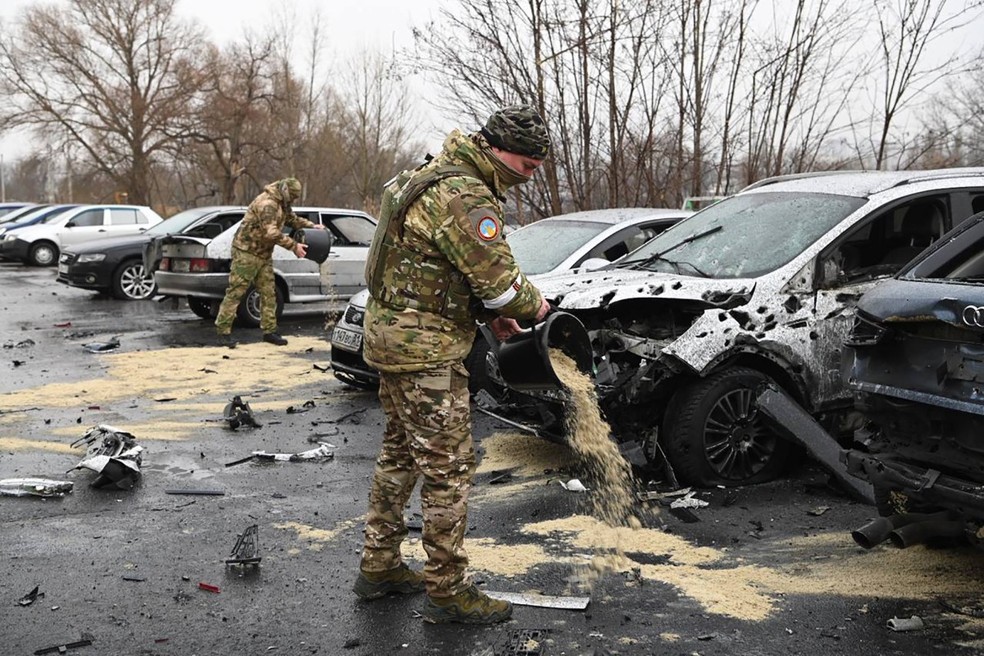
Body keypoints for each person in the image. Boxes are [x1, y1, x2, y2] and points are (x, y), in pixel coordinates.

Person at [352, 105, 552, 624]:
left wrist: (490, 318)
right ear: (496, 146)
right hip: (426, 354)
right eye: (526, 165)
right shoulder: (465, 193)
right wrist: (531, 308)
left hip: (392, 339)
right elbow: (500, 281)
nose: (528, 175)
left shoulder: (428, 173)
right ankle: (448, 593)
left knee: (399, 454)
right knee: (449, 468)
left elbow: (432, 266)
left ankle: (379, 567)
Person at [214, 177, 324, 346]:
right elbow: (270, 233)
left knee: (268, 292)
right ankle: (223, 331)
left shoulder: (282, 202)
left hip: (263, 254)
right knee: (237, 291)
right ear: (286, 191)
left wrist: (311, 225)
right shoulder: (267, 204)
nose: (292, 201)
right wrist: (293, 246)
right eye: (292, 198)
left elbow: (292, 219)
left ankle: (269, 331)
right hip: (246, 252)